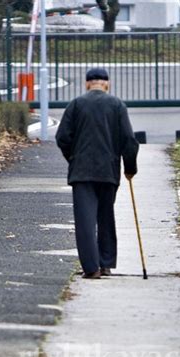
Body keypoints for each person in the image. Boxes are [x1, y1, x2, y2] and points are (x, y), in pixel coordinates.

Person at [56, 68, 139, 279]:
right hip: (108, 171)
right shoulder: (117, 105)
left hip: (81, 172)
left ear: (87, 84)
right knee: (105, 216)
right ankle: (106, 262)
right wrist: (130, 168)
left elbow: (63, 137)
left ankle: (91, 268)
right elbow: (129, 141)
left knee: (85, 220)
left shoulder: (76, 104)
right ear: (107, 84)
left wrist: (73, 158)